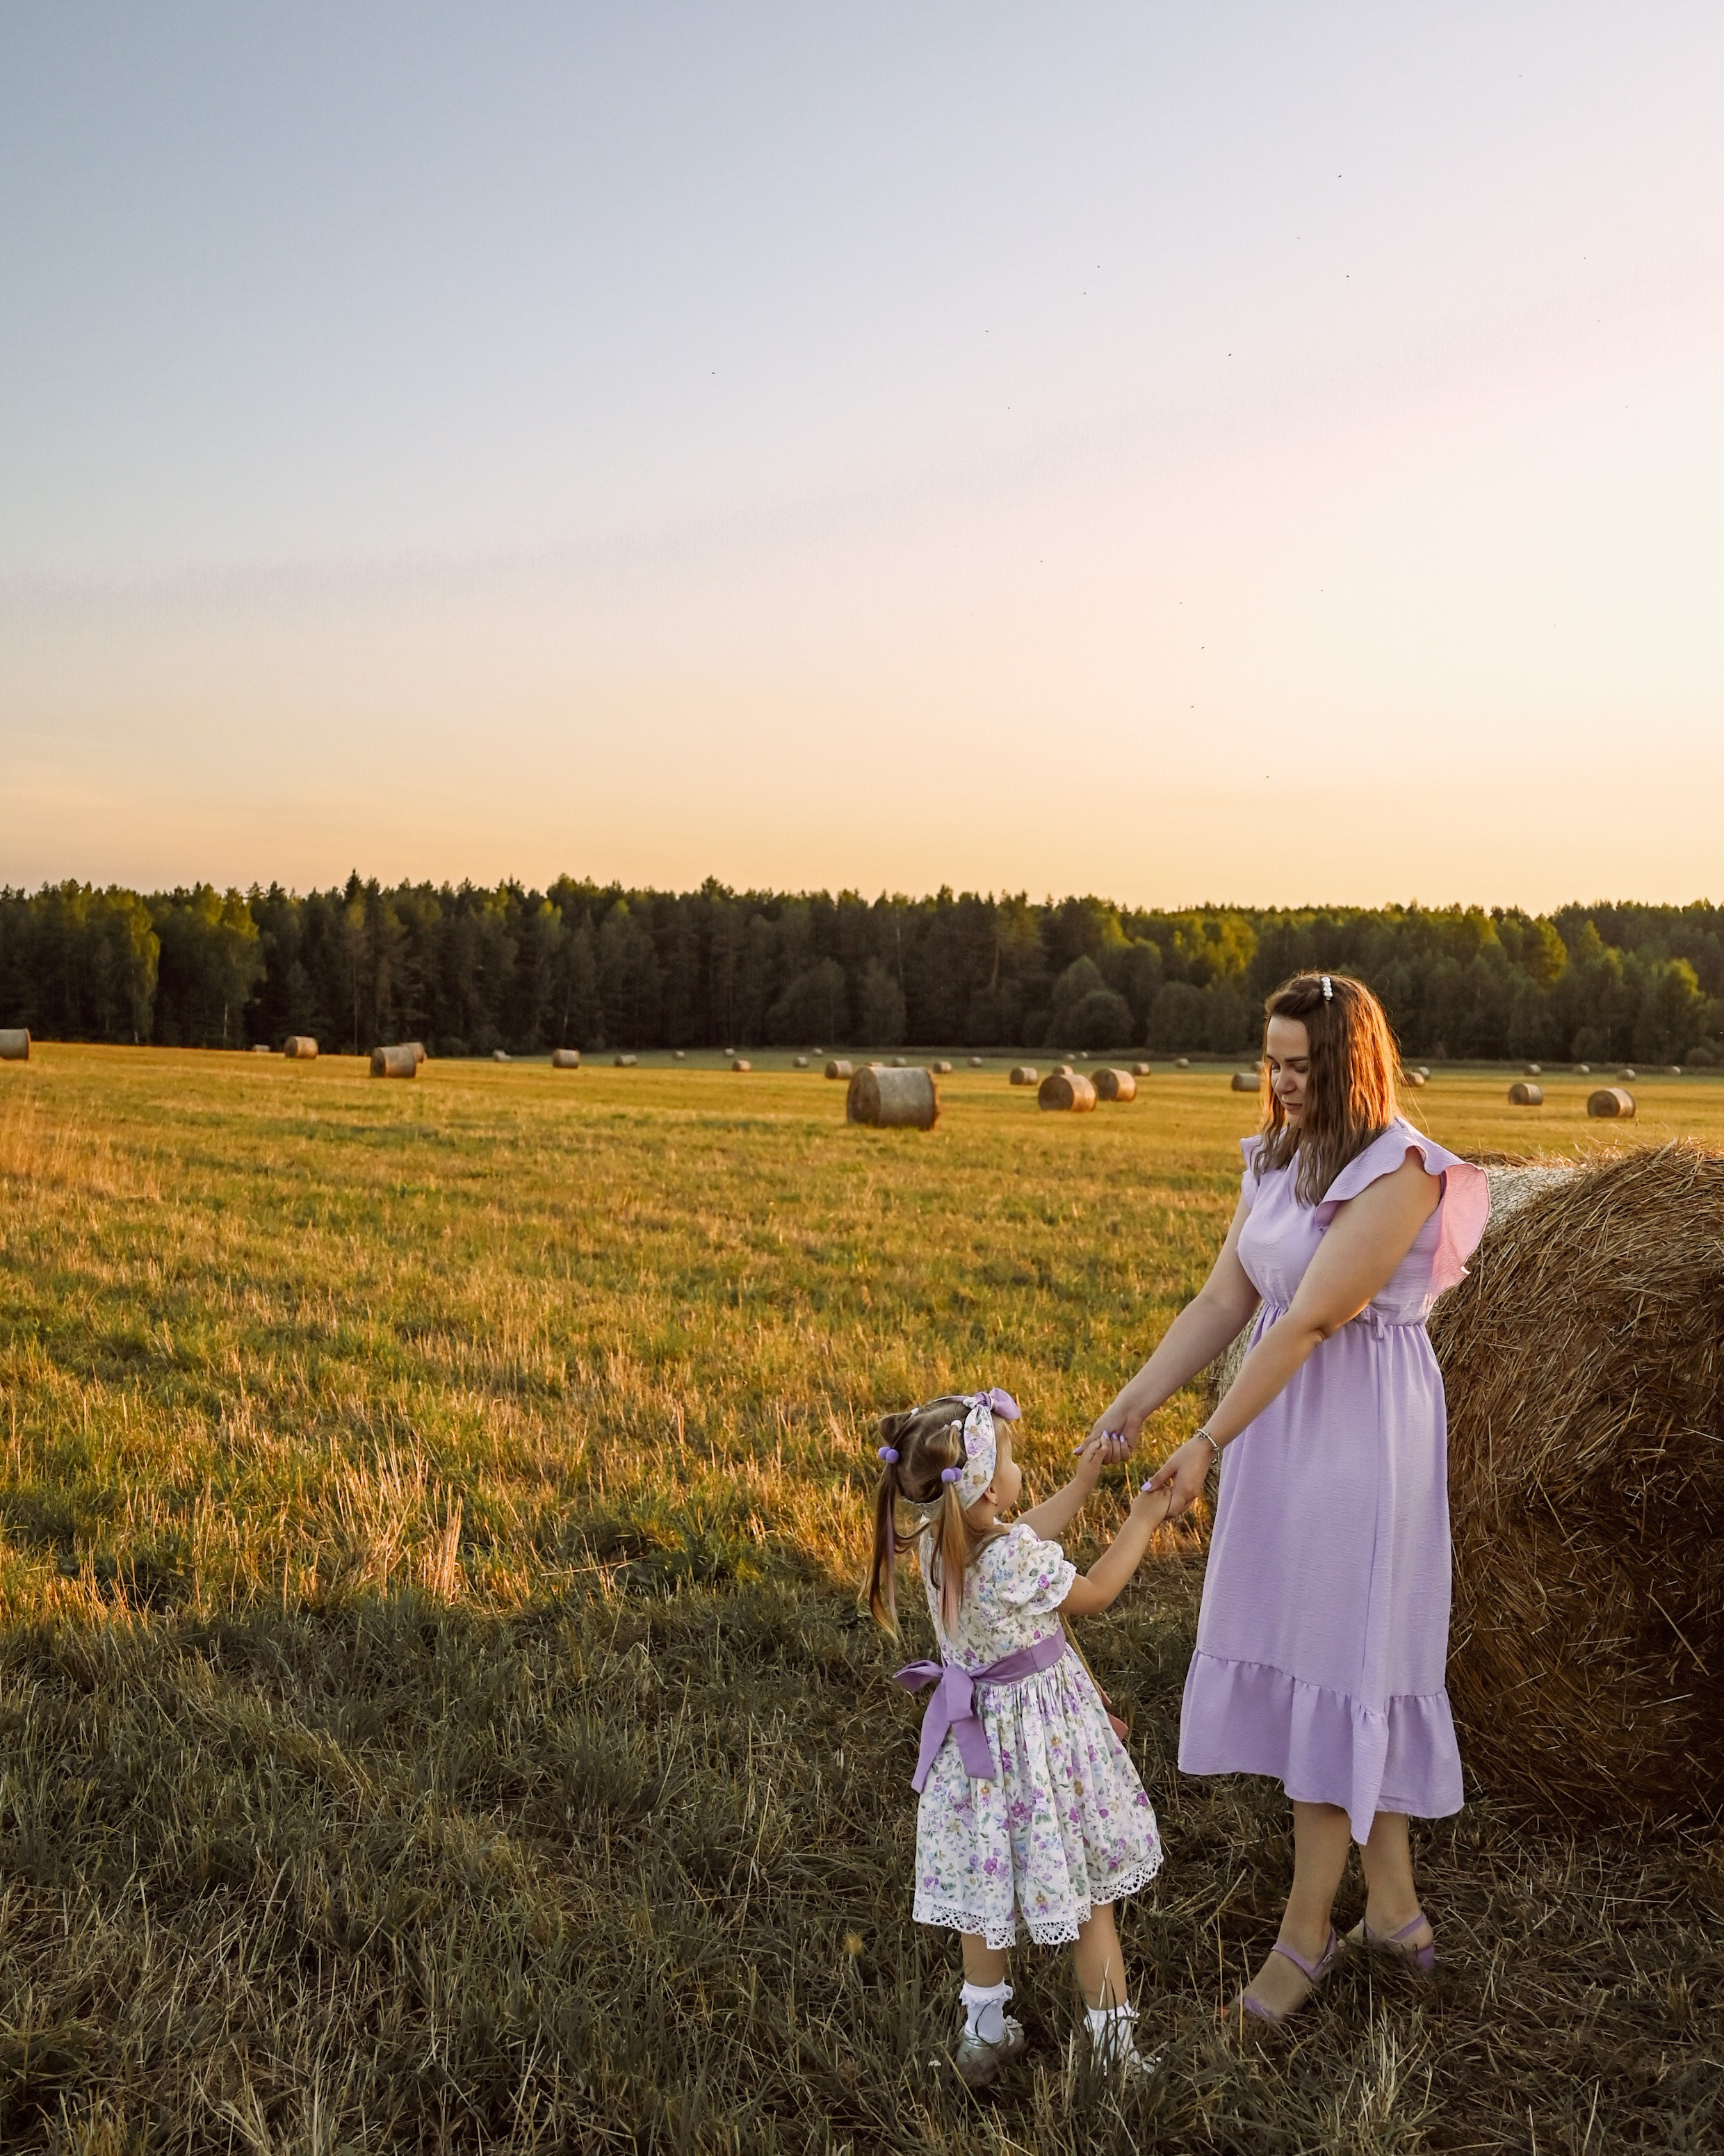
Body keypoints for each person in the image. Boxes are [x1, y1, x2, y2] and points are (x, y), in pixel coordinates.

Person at [1091, 973, 1488, 2027]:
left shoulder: (1401, 1169)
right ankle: (1396, 1913)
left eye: (1302, 1066)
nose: (1279, 1081)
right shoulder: (1272, 1155)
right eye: (1271, 1060)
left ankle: (1304, 1940)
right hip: (1282, 1426)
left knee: (1340, 1658)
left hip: (1360, 1432)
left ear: (1353, 1064)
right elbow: (1230, 1295)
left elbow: (1314, 1318)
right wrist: (1137, 1402)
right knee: (1347, 1659)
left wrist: (1209, 1441)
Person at [866, 1388, 1172, 2085]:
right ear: (982, 1483)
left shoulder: (940, 1540)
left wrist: (1081, 1484)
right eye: (1008, 1457)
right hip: (1038, 1749)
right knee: (1088, 1889)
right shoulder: (1006, 1558)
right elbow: (1092, 1590)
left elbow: (1018, 1531)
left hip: (977, 1751)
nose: (1016, 1467)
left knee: (984, 1886)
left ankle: (983, 2031)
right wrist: (1142, 1518)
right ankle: (1111, 2053)